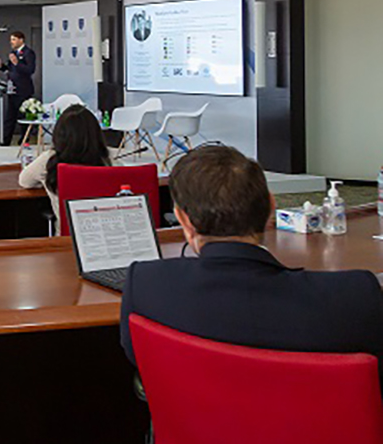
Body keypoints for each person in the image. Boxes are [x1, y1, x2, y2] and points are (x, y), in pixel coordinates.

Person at [120, 145, 383, 386]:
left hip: (199, 436)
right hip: (322, 437)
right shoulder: (355, 295)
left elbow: (138, 360)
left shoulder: (145, 285)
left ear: (183, 221)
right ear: (271, 207)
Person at [18, 105, 115, 224]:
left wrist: (44, 181)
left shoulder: (49, 159)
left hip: (66, 238)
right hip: (105, 235)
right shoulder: (108, 159)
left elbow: (24, 181)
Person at [0, 31, 36, 146]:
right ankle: (6, 141)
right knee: (9, 117)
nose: (11, 42)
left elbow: (30, 70)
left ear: (21, 40)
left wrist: (17, 63)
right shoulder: (13, 53)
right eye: (11, 39)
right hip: (12, 89)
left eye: (14, 39)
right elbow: (9, 69)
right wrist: (0, 65)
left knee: (23, 118)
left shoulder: (28, 53)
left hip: (23, 90)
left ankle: (24, 140)